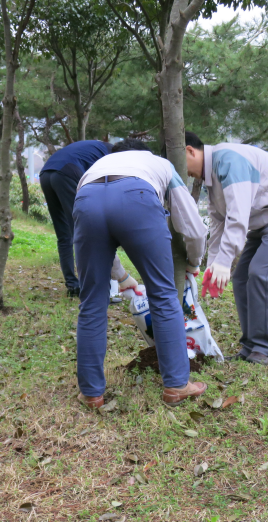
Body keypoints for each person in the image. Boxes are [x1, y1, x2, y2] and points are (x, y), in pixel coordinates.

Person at [74, 139, 208, 408]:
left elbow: (100, 239)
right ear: (144, 152)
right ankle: (177, 386)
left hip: (86, 199)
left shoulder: (95, 168)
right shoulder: (161, 164)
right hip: (137, 196)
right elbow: (193, 227)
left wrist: (120, 277)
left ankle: (91, 393)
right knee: (163, 293)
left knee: (92, 301)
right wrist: (195, 261)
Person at [185, 132, 268, 366]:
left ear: (189, 151)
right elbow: (217, 222)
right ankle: (250, 346)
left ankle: (263, 348)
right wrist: (214, 263)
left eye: (180, 165)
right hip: (265, 219)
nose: (182, 173)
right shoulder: (210, 174)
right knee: (242, 278)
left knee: (260, 273)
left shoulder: (228, 161)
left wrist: (225, 261)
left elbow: (237, 217)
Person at [40, 140, 113, 297]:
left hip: (46, 173)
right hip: (66, 172)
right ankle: (91, 286)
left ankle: (72, 284)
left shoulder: (98, 147)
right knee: (84, 231)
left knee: (64, 233)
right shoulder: (115, 154)